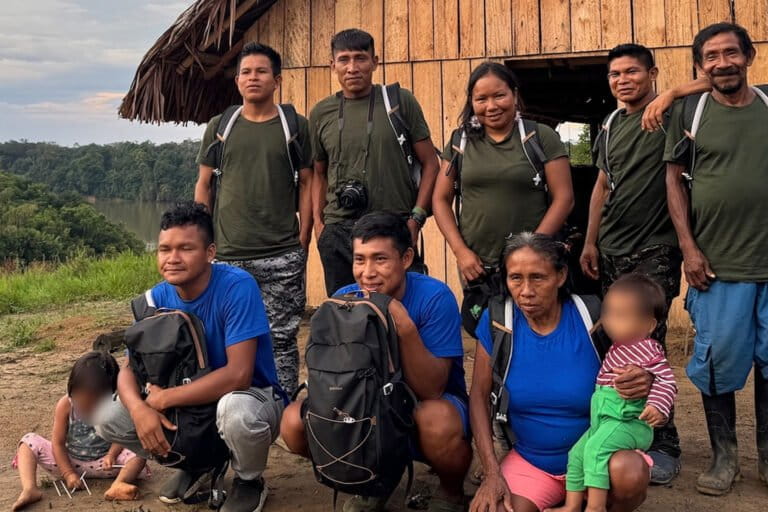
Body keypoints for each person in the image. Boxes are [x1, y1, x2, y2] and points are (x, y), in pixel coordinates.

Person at [94, 202, 286, 512]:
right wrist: (139, 410)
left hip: (252, 399)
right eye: (164, 249)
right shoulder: (154, 300)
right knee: (107, 418)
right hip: (189, 408)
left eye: (185, 248)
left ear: (210, 252)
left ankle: (249, 480)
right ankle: (197, 464)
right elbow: (130, 368)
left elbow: (239, 374)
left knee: (234, 411)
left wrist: (164, 399)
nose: (172, 258)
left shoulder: (237, 287)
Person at [579, 44, 709, 484]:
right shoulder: (612, 124)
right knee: (615, 346)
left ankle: (665, 444)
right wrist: (590, 242)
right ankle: (621, 431)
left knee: (647, 348)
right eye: (614, 74)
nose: (622, 80)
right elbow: (601, 186)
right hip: (612, 247)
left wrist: (671, 94)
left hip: (655, 247)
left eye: (632, 71)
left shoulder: (672, 112)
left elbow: (716, 79)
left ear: (651, 73)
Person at [281, 211, 471, 512]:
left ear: (406, 258)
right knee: (293, 422)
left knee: (437, 420)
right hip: (367, 405)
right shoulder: (345, 298)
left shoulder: (435, 297)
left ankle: (450, 491)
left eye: (380, 259)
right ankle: (371, 481)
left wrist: (404, 325)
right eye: (360, 259)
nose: (367, 272)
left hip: (425, 404)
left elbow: (433, 389)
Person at [470, 232, 654, 512]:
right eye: (515, 278)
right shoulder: (499, 322)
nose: (526, 290)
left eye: (538, 277)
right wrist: (492, 471)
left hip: (599, 459)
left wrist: (645, 379)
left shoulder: (592, 317)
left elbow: (646, 360)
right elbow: (478, 398)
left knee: (629, 471)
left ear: (561, 275)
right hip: (532, 462)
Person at [664, 22, 768, 496]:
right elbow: (673, 180)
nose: (722, 63)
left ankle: (766, 458)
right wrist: (688, 247)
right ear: (700, 66)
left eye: (731, 53)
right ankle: (725, 458)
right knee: (715, 363)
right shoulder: (692, 108)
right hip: (718, 266)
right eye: (711, 56)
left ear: (749, 55)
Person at [195, 42, 312, 398]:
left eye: (261, 71)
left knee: (281, 337)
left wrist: (303, 238)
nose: (253, 78)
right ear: (237, 81)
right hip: (229, 255)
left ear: (277, 79)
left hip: (282, 252)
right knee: (225, 336)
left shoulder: (294, 126)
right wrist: (202, 242)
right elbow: (204, 184)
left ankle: (284, 404)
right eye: (246, 72)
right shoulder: (221, 126)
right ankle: (227, 405)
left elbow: (308, 182)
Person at [432, 62, 573, 336]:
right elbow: (440, 199)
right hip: (478, 266)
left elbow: (564, 198)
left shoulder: (539, 136)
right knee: (486, 335)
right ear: (471, 102)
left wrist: (531, 251)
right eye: (481, 99)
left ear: (515, 95)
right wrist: (461, 252)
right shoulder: (461, 141)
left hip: (532, 267)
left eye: (499, 95)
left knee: (533, 330)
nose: (491, 106)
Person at [310, 29, 440, 295]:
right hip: (339, 229)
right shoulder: (321, 112)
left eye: (360, 58)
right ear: (332, 64)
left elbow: (431, 164)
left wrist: (415, 219)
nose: (352, 67)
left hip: (395, 222)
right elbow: (318, 174)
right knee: (346, 315)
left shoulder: (399, 102)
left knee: (402, 310)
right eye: (344, 59)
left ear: (375, 61)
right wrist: (320, 227)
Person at [546, 274, 678, 512]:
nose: (608, 321)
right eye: (607, 313)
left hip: (628, 422)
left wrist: (658, 406)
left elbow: (667, 380)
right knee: (578, 453)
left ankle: (595, 508)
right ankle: (572, 506)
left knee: (595, 451)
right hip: (606, 421)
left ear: (648, 325)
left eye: (620, 316)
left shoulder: (647, 349)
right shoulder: (620, 346)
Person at [12, 351, 149, 511]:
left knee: (140, 449)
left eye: (95, 404)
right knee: (28, 441)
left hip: (107, 465)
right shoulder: (65, 405)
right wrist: (68, 473)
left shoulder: (116, 407)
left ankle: (119, 483)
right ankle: (29, 489)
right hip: (71, 462)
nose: (88, 408)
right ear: (71, 391)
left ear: (112, 395)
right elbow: (58, 443)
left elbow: (122, 436)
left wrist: (111, 454)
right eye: (83, 403)